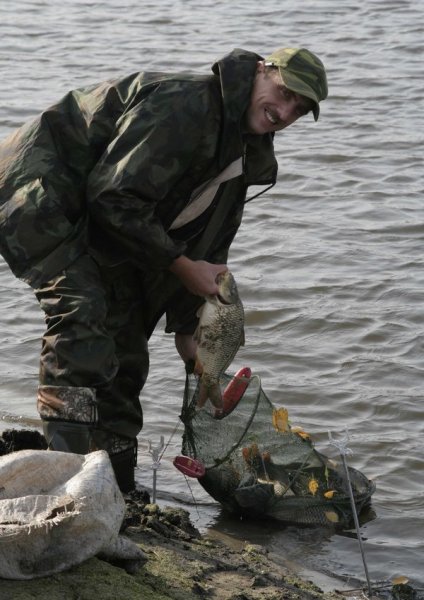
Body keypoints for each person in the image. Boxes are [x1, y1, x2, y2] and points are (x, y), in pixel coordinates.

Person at [0, 47, 328, 492]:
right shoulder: (185, 103)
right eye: (285, 92)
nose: (285, 111)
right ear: (259, 71)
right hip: (39, 187)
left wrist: (191, 329)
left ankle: (116, 486)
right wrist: (179, 265)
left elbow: (206, 247)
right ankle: (65, 479)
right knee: (83, 312)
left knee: (128, 341)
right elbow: (113, 197)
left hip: (102, 213)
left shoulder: (246, 151)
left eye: (300, 108)